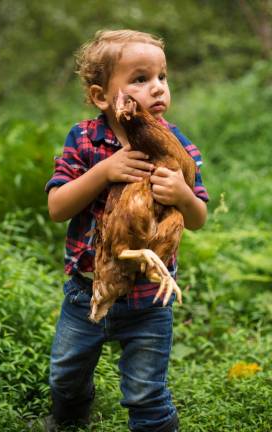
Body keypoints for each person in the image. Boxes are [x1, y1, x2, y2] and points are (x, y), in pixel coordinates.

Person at [45, 29, 209, 432]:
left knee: (146, 391)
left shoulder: (177, 147)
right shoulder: (84, 140)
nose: (156, 88)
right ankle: (69, 415)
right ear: (102, 96)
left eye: (162, 77)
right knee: (66, 373)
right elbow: (56, 207)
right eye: (139, 79)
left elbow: (198, 217)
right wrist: (103, 172)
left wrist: (183, 195)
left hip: (150, 298)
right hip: (87, 291)